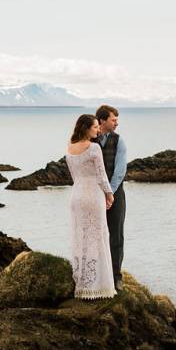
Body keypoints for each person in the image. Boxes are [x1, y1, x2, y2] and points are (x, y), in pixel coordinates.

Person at [65, 114, 117, 300]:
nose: (97, 130)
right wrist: (110, 195)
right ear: (86, 128)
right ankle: (100, 287)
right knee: (98, 237)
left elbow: (74, 177)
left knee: (81, 238)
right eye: (95, 127)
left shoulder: (70, 148)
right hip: (93, 195)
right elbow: (102, 176)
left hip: (76, 196)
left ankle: (82, 284)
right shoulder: (94, 148)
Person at [94, 105, 127, 291]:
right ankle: (98, 274)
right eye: (114, 119)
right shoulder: (90, 140)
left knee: (116, 235)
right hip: (94, 195)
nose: (117, 123)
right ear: (102, 121)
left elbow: (120, 171)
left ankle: (116, 277)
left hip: (116, 195)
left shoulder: (119, 141)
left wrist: (110, 194)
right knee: (96, 235)